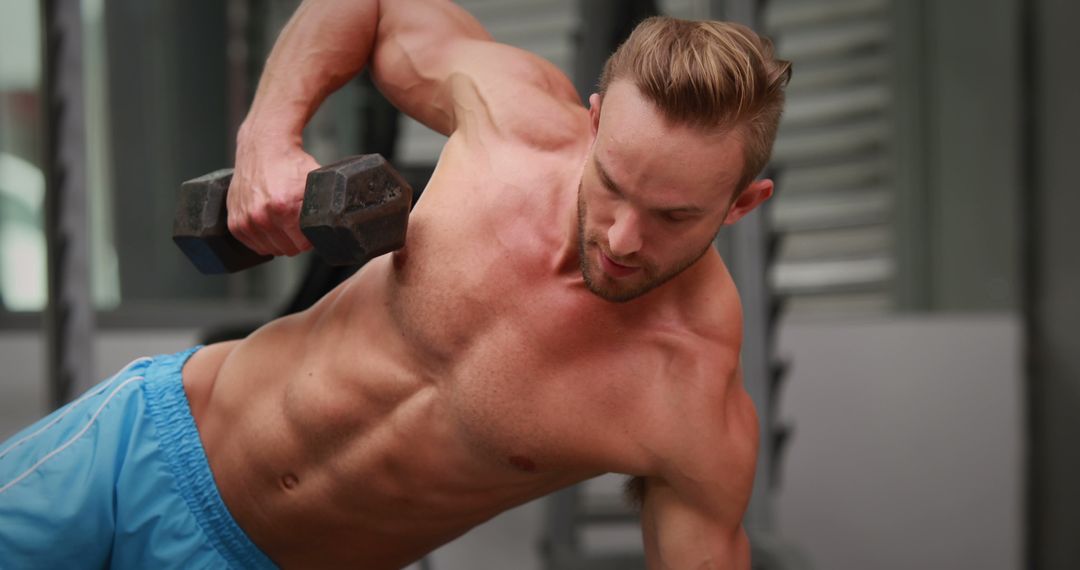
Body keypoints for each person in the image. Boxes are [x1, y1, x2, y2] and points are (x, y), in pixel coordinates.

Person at [0, 0, 790, 568]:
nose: (622, 236)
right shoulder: (509, 118)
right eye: (613, 181)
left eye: (671, 215)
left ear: (742, 205)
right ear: (592, 122)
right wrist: (270, 136)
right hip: (145, 443)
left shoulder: (689, 399)